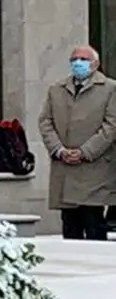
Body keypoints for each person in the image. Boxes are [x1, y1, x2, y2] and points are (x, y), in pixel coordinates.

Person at [40, 47, 115, 240]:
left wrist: (85, 152)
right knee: (70, 225)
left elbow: (111, 126)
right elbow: (45, 121)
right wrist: (58, 149)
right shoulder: (56, 89)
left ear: (95, 64)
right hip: (65, 168)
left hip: (95, 169)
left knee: (93, 223)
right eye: (74, 59)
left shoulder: (110, 89)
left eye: (84, 59)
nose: (78, 63)